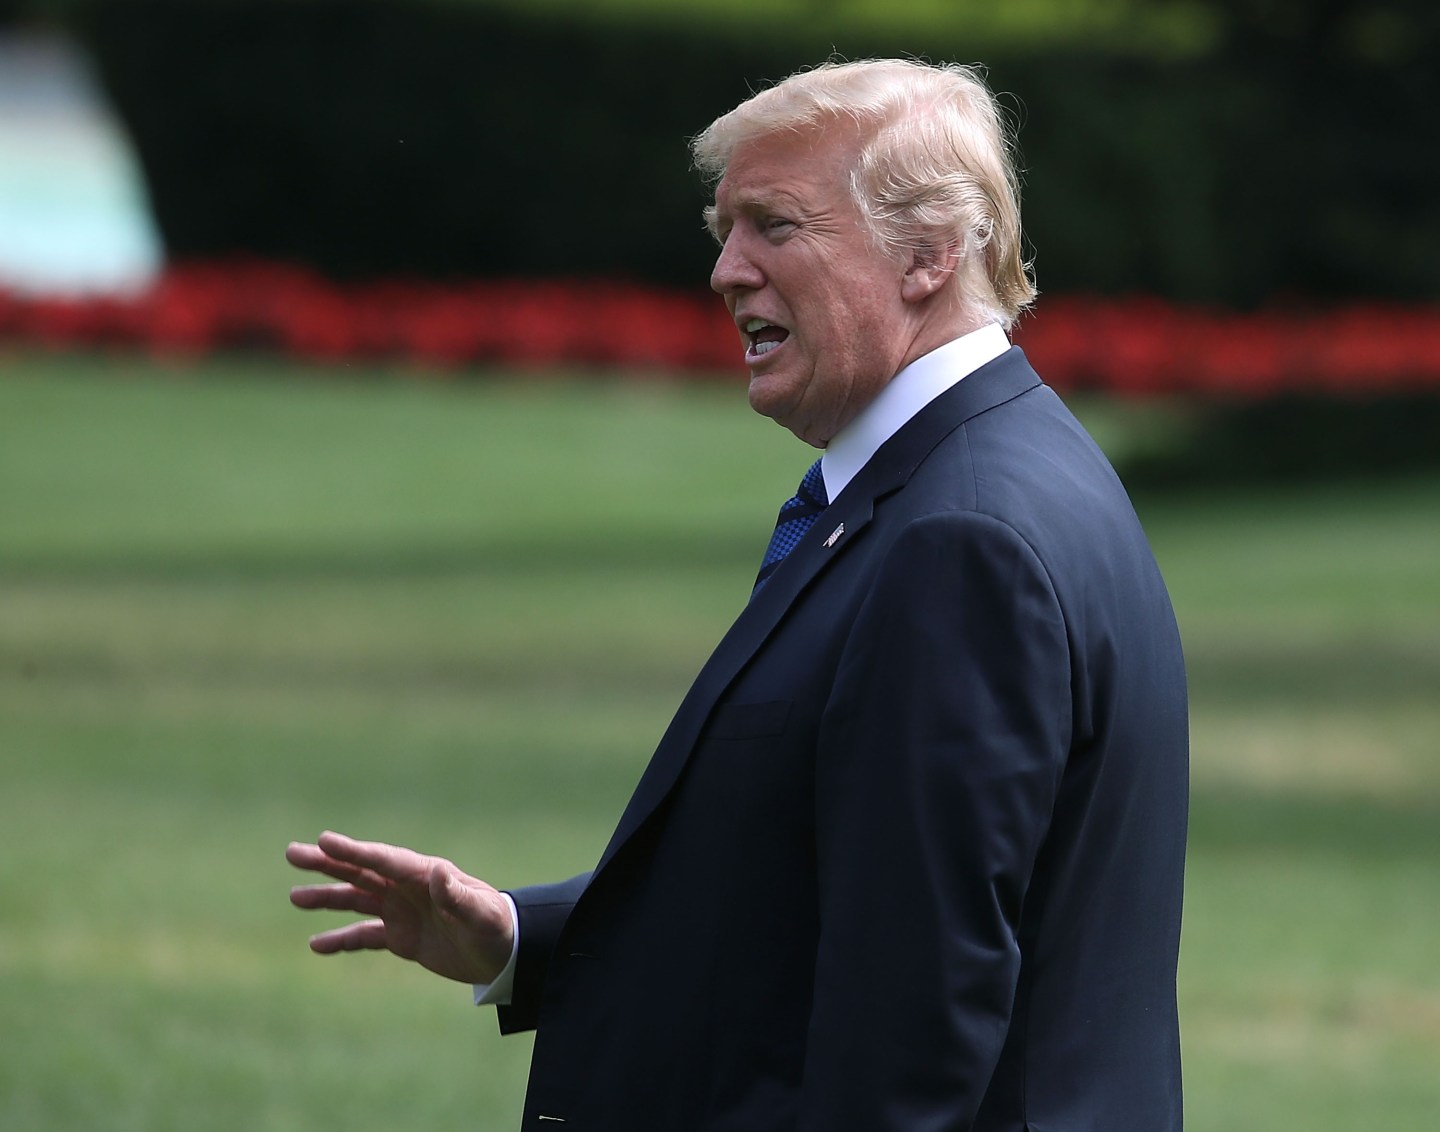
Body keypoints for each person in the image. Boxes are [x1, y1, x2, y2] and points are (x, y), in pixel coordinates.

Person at [288, 58, 1188, 1131]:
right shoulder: (1000, 470)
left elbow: (910, 1026)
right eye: (724, 228)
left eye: (775, 225)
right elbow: (830, 883)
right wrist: (527, 938)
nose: (726, 270)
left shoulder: (959, 542)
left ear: (933, 253)